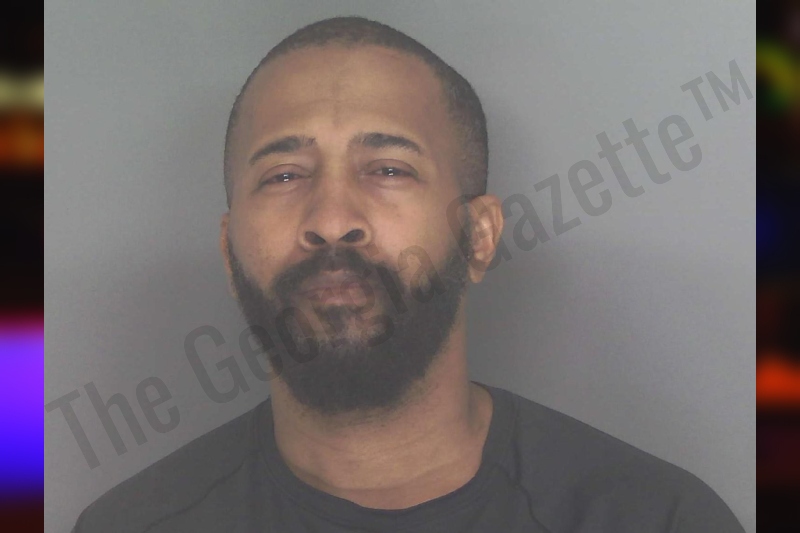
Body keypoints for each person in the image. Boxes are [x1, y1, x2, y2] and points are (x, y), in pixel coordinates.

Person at [73, 16, 745, 532]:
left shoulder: (656, 518)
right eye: (284, 176)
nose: (331, 219)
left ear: (479, 236)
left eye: (389, 169)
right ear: (228, 252)